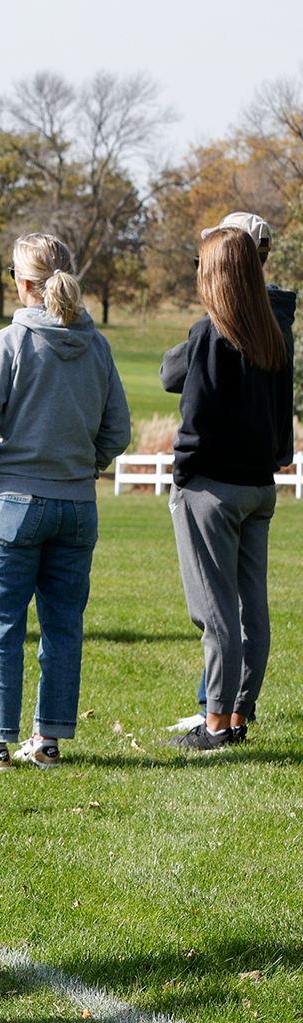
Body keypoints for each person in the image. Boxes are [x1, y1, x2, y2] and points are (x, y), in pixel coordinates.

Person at [0, 234, 128, 773]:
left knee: (1, 628)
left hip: (9, 502)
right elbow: (117, 430)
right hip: (76, 506)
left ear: (22, 283)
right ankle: (48, 741)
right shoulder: (97, 346)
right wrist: (80, 466)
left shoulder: (10, 341)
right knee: (63, 627)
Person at [158, 226, 293, 751]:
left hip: (212, 490)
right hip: (259, 487)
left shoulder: (212, 334)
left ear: (214, 273)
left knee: (213, 611)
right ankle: (239, 716)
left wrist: (182, 472)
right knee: (250, 609)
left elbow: (194, 417)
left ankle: (213, 724)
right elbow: (283, 419)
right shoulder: (272, 335)